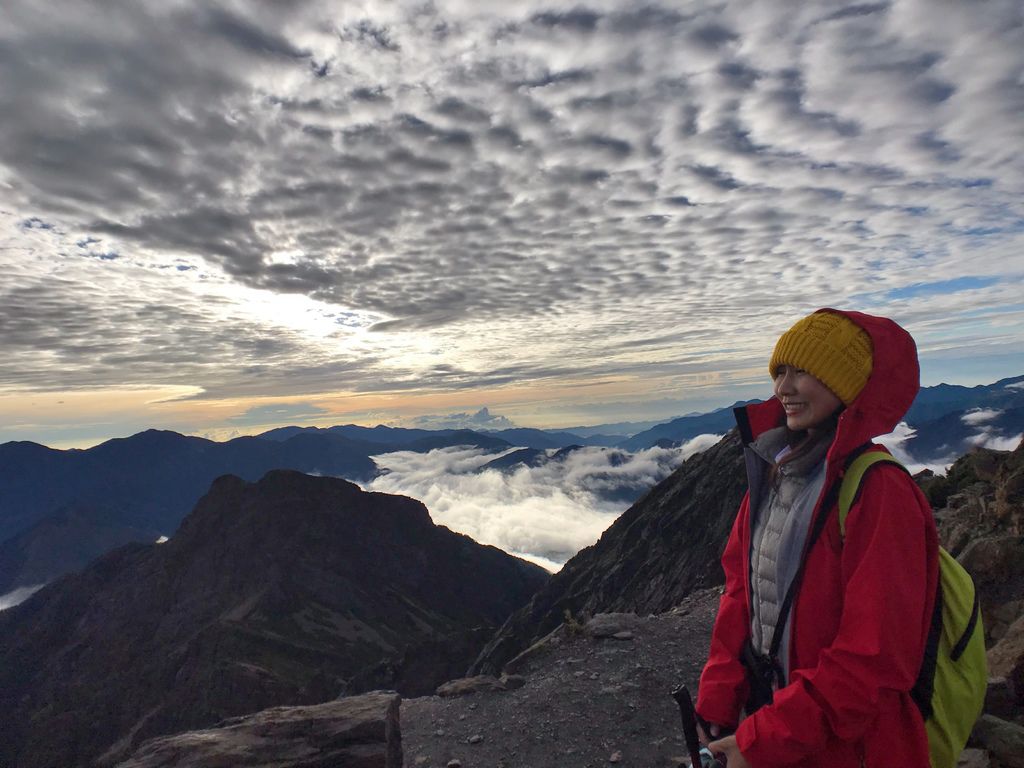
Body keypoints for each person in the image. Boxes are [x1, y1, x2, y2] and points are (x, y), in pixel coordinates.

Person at [695, 309, 940, 768]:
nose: (783, 388)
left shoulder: (879, 491)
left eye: (802, 371)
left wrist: (763, 739)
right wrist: (719, 695)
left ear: (846, 383)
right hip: (785, 731)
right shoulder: (776, 471)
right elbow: (741, 591)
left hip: (856, 749)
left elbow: (874, 661)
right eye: (779, 371)